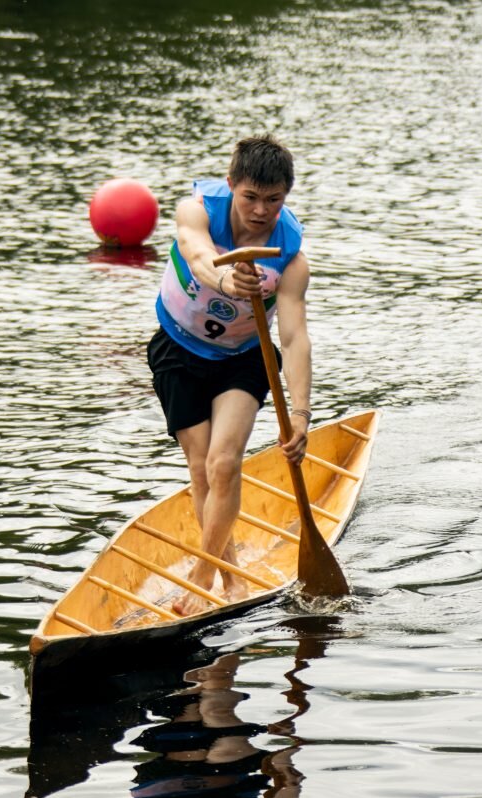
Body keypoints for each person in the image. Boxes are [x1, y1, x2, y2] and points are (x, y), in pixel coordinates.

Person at [147, 135, 313, 617]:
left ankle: (202, 579)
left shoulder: (290, 257)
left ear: (285, 197)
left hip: (243, 357)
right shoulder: (196, 210)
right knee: (200, 468)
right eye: (251, 197)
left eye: (274, 200)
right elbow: (196, 253)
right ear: (231, 186)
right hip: (177, 349)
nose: (261, 211)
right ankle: (229, 569)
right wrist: (225, 279)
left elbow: (296, 337)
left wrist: (300, 413)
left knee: (224, 463)